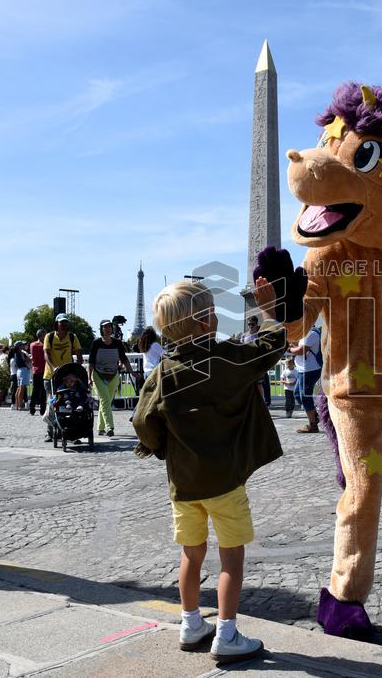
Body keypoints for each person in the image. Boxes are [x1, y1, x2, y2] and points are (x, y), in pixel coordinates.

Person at [133, 278, 284, 662]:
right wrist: (268, 312)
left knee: (192, 554)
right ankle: (228, 634)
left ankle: (190, 623)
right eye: (213, 311)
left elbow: (142, 421)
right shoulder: (225, 359)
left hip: (183, 485)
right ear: (204, 323)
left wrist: (161, 447)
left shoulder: (163, 372)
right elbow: (270, 347)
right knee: (231, 558)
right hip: (225, 482)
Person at [88, 319, 134, 437]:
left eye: (109, 326)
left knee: (107, 401)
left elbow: (124, 359)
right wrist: (89, 377)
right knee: (104, 400)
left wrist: (132, 372)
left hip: (113, 376)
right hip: (98, 375)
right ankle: (110, 426)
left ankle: (100, 427)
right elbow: (91, 362)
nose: (107, 329)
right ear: (101, 329)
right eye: (105, 327)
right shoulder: (96, 343)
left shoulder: (117, 343)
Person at [42, 313, 83, 440]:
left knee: (71, 401)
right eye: (61, 323)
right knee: (52, 403)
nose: (64, 325)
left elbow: (78, 353)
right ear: (57, 324)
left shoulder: (72, 337)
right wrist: (54, 367)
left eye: (66, 322)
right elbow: (46, 354)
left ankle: (72, 431)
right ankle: (50, 432)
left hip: (68, 376)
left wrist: (78, 365)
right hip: (51, 375)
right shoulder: (49, 337)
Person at [289, 324, 322, 433]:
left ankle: (313, 425)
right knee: (297, 394)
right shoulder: (305, 333)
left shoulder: (311, 333)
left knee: (304, 397)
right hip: (303, 370)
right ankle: (314, 416)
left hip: (309, 370)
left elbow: (301, 351)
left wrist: (289, 349)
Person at [28, 329, 47, 416]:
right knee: (43, 391)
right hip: (44, 369)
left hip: (35, 370)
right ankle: (42, 409)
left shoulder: (32, 345)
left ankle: (32, 407)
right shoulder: (44, 345)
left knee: (35, 390)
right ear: (42, 335)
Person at [12, 341, 31, 411]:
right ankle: (20, 406)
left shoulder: (17, 353)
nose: (23, 346)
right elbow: (24, 363)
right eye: (22, 345)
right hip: (23, 371)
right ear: (19, 346)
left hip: (20, 371)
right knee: (21, 389)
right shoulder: (19, 354)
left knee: (19, 389)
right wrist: (29, 359)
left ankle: (17, 406)